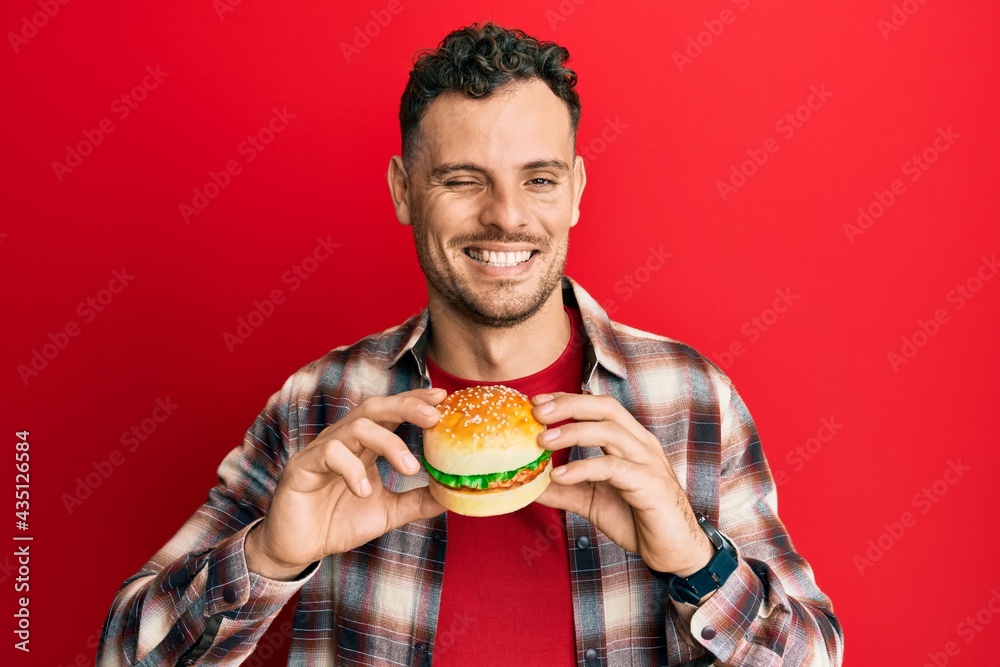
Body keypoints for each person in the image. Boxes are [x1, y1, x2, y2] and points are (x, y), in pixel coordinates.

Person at [98, 22, 843, 667]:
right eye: (463, 179)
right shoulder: (316, 407)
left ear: (577, 189)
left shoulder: (692, 401)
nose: (506, 216)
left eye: (540, 178)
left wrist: (695, 558)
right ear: (401, 189)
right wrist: (268, 557)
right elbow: (124, 652)